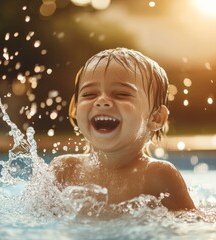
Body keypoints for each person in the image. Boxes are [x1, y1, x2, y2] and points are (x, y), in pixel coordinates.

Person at [50, 47, 195, 213]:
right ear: (75, 110)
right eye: (89, 94)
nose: (102, 101)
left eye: (121, 94)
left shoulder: (158, 176)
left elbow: (191, 223)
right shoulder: (64, 170)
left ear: (156, 118)